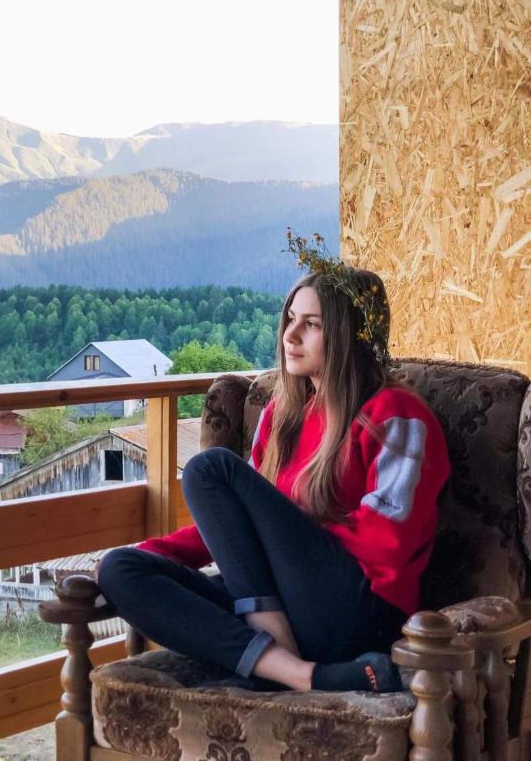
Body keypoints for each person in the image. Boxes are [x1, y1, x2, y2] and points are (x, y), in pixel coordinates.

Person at [96, 242, 451, 693]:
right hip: (282, 607)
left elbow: (388, 545)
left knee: (210, 469)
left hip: (356, 614)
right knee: (121, 569)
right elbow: (233, 528)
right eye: (290, 320)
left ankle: (275, 646)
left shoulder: (396, 417)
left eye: (312, 324)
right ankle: (297, 673)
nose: (290, 334)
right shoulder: (280, 415)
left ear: (350, 336)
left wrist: (277, 530)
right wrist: (155, 551)